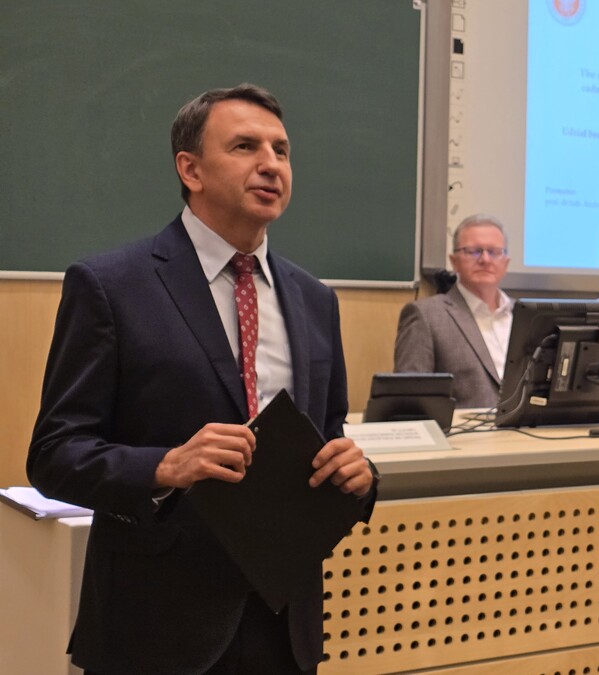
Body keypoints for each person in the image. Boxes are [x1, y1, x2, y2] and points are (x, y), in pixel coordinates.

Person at [26, 84, 377, 675]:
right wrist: (165, 466)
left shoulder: (315, 300)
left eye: (281, 150)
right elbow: (55, 455)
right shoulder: (111, 286)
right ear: (190, 169)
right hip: (156, 627)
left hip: (284, 626)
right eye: (245, 146)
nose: (271, 164)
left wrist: (359, 477)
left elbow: (327, 437)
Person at [394, 214, 514, 408]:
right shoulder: (425, 315)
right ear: (454, 261)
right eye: (474, 251)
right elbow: (409, 400)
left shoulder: (526, 317)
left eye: (494, 252)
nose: (485, 259)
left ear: (506, 262)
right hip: (460, 428)